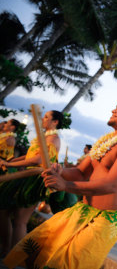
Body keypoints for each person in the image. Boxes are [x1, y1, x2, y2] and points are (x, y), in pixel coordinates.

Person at [3, 98, 117, 269]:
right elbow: (80, 172)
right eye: (115, 107)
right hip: (83, 210)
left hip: (109, 218)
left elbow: (112, 185)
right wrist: (60, 171)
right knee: (37, 247)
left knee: (68, 263)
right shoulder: (104, 142)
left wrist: (64, 185)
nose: (113, 110)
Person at [0, 110, 63, 257]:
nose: (42, 118)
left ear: (55, 122)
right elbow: (29, 155)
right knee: (4, 211)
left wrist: (9, 165)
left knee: (20, 220)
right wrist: (10, 161)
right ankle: (6, 248)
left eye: (46, 117)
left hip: (35, 180)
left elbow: (38, 160)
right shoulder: (43, 138)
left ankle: (15, 259)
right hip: (25, 177)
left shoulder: (53, 139)